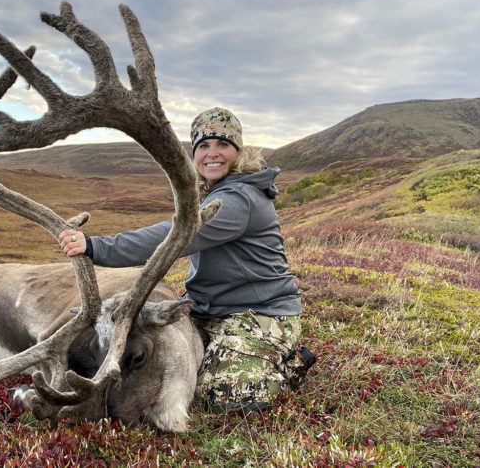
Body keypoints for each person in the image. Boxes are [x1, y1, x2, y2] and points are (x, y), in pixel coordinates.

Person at [58, 107, 315, 413]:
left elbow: (174, 236)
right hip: (207, 310)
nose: (212, 154)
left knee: (220, 395)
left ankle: (291, 365)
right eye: (203, 146)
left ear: (238, 151)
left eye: (222, 145)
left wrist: (97, 247)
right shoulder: (212, 192)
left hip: (260, 315)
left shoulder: (237, 200)